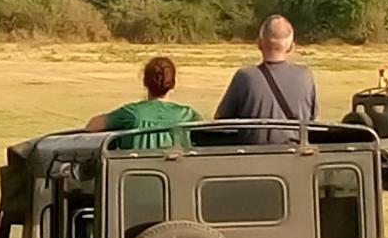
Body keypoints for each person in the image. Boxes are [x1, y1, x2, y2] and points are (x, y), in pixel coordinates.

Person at [215, 14, 317, 143]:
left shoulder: (245, 76)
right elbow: (311, 118)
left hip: (253, 157)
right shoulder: (305, 76)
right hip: (293, 155)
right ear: (291, 47)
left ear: (259, 43)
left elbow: (221, 124)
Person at [85, 56, 200, 149]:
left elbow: (92, 126)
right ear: (173, 84)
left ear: (145, 82)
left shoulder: (131, 113)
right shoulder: (187, 115)